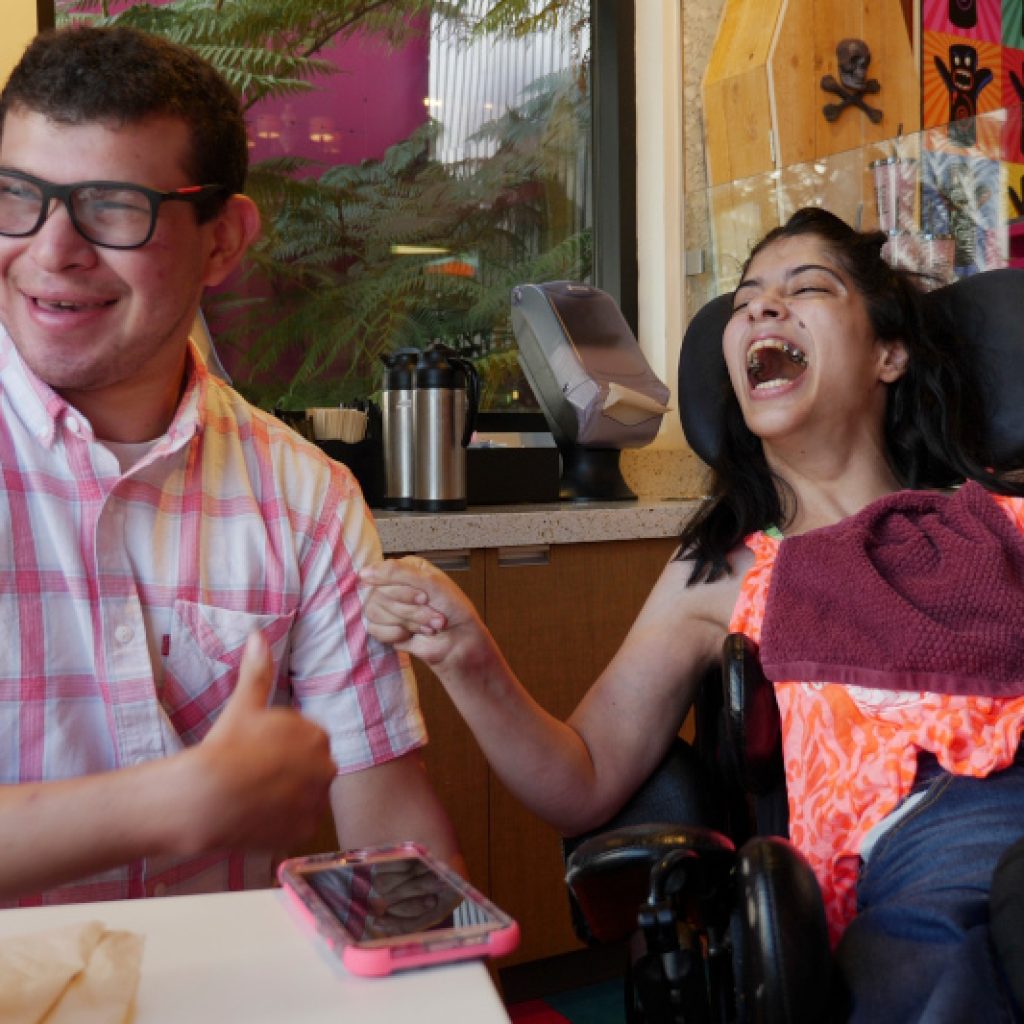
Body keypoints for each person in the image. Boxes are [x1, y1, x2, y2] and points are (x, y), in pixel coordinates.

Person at [362, 207, 1024, 1022]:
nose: (761, 310)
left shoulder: (999, 518)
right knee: (934, 963)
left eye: (806, 287)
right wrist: (469, 658)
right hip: (917, 852)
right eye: (747, 299)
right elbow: (583, 783)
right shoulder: (727, 570)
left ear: (890, 354)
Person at [0, 25, 460, 904]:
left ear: (222, 241)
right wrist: (164, 806)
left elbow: (392, 839)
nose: (51, 249)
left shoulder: (306, 498)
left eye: (111, 205)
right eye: (17, 194)